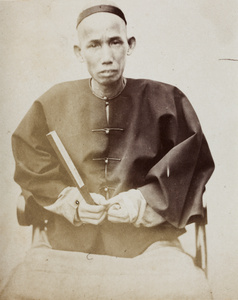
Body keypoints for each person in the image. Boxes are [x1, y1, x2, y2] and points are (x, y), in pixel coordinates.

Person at [2, 1, 214, 299]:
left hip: (149, 244)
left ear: (130, 45)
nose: (106, 57)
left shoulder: (167, 99)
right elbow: (31, 161)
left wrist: (139, 203)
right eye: (94, 45)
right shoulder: (51, 103)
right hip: (67, 244)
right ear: (79, 52)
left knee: (187, 290)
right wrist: (69, 200)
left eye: (115, 42)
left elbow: (188, 164)